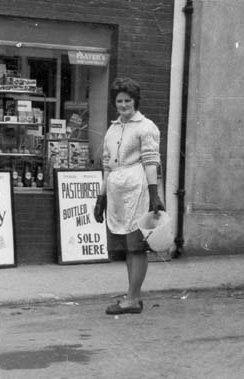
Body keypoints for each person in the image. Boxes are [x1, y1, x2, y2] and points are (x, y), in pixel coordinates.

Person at [94, 77, 165, 315]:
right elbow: (106, 164)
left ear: (135, 101)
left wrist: (155, 194)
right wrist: (101, 197)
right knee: (127, 247)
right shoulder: (113, 129)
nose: (123, 105)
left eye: (127, 100)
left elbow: (151, 162)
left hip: (138, 192)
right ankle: (132, 295)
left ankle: (133, 298)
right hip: (117, 195)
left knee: (137, 247)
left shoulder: (146, 127)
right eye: (119, 101)